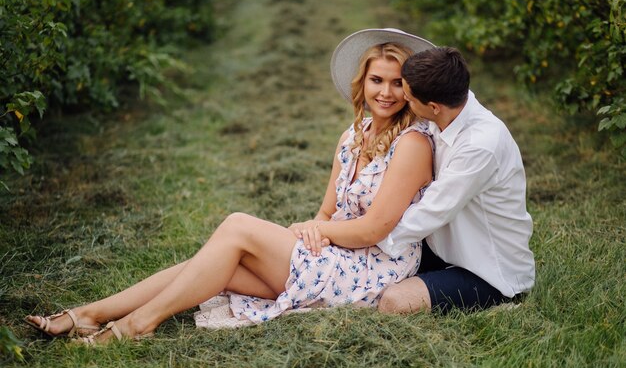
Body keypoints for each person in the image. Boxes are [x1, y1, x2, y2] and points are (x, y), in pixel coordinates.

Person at [24, 28, 435, 343]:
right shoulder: (352, 135)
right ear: (361, 83)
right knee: (215, 266)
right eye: (377, 80)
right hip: (336, 251)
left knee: (238, 226)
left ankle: (136, 323)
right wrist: (315, 230)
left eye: (397, 82)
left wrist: (312, 232)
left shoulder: (412, 144)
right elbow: (327, 212)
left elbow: (375, 229)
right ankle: (89, 314)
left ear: (411, 88)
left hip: (373, 269)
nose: (386, 92)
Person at [301, 46, 535, 313]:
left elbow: (427, 214)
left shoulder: (479, 145)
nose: (402, 101)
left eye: (409, 98)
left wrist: (358, 238)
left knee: (394, 301)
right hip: (436, 253)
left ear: (433, 107)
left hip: (486, 270)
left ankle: (503, 304)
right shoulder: (445, 112)